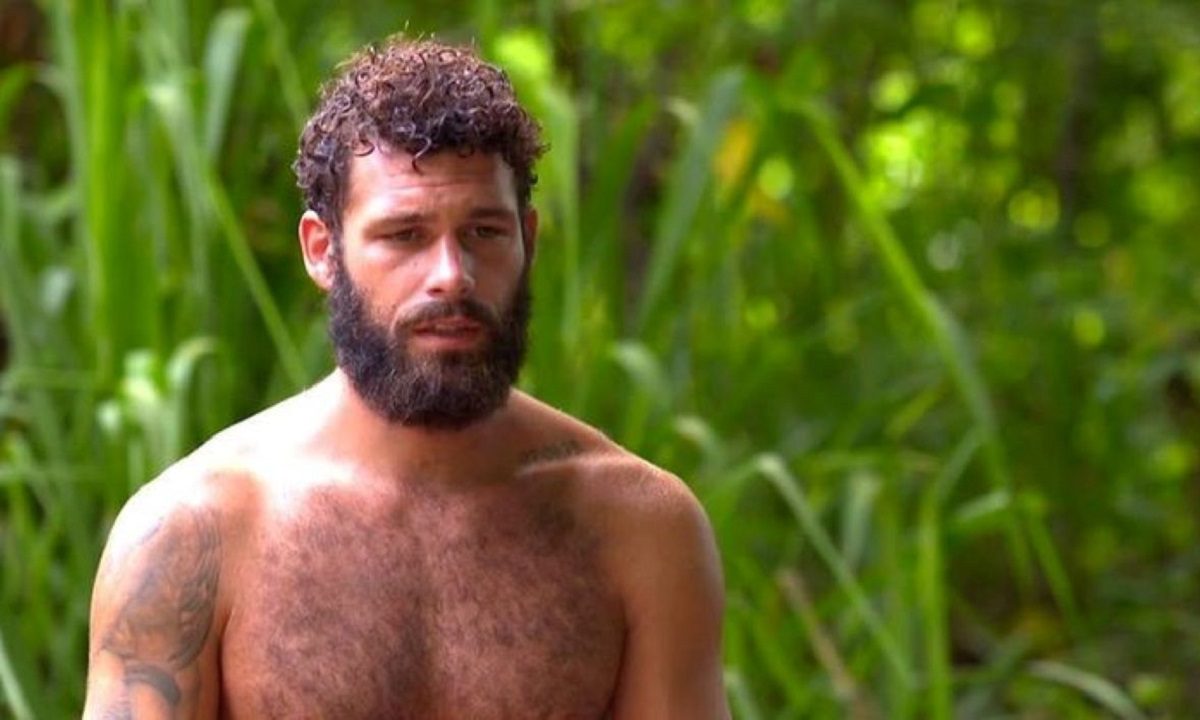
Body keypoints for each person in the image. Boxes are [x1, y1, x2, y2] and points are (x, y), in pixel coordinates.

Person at [83, 36, 728, 719]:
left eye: (484, 232)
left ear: (528, 240)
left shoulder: (639, 528)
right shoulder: (195, 534)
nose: (452, 275)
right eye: (404, 235)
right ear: (323, 251)